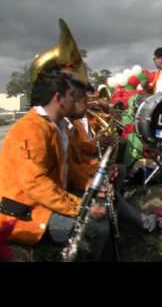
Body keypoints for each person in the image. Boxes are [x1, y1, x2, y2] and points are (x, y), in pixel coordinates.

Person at [0, 68, 111, 260]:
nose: (77, 101)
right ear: (59, 98)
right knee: (96, 228)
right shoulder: (31, 128)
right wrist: (81, 207)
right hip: (27, 212)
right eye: (73, 96)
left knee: (104, 210)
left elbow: (70, 170)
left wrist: (92, 185)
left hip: (48, 201)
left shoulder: (59, 126)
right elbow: (35, 183)